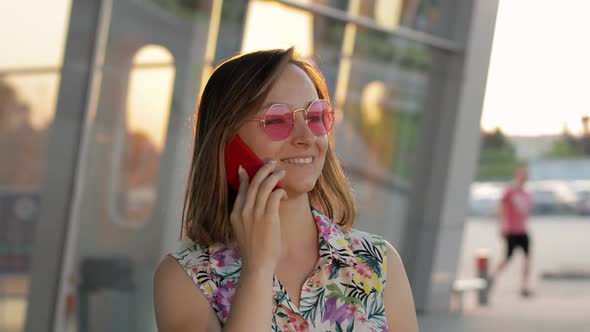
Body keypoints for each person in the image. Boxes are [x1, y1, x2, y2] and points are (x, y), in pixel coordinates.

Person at [153, 48, 418, 331]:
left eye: (315, 117)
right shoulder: (185, 276)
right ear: (227, 142)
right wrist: (257, 268)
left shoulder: (378, 262)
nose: (307, 137)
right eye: (277, 120)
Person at [490, 167, 533, 297]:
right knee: (507, 258)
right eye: (522, 176)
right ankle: (491, 277)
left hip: (523, 230)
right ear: (517, 176)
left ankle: (524, 286)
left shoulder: (527, 194)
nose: (524, 178)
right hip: (511, 230)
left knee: (527, 258)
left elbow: (525, 213)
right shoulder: (509, 192)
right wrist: (502, 227)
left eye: (525, 176)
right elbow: (501, 210)